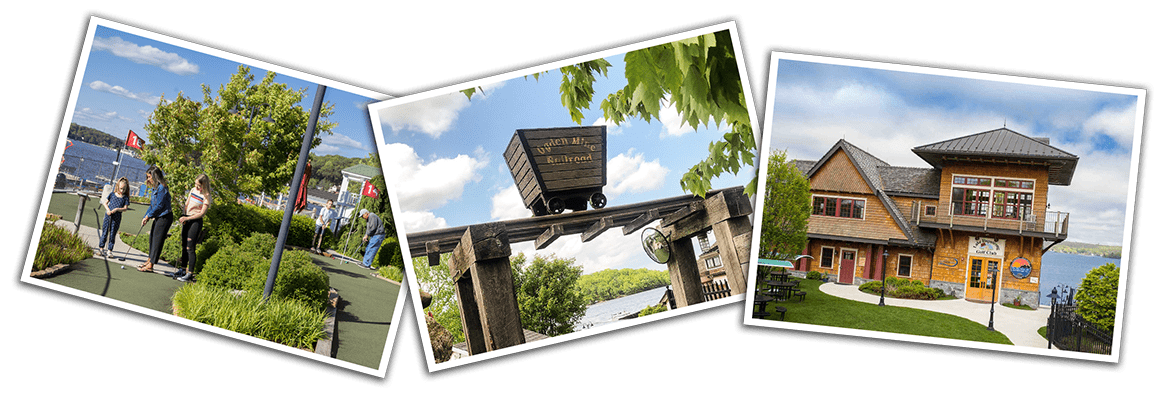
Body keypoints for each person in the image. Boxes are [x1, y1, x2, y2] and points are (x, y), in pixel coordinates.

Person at [174, 174, 211, 282]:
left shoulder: (206, 195)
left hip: (195, 221)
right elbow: (187, 203)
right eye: (195, 184)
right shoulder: (193, 190)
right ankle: (182, 269)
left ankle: (190, 273)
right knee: (184, 245)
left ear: (204, 185)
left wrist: (189, 218)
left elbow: (202, 213)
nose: (196, 187)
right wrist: (184, 215)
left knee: (190, 247)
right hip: (187, 219)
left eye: (199, 185)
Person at [138, 165, 172, 273]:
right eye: (147, 177)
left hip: (165, 217)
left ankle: (151, 265)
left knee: (157, 241)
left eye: (149, 177)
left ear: (155, 176)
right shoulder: (155, 188)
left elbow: (159, 206)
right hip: (159, 216)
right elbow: (152, 205)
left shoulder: (162, 187)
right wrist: (146, 216)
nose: (148, 179)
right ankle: (149, 260)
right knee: (152, 238)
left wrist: (149, 216)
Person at [97, 177, 131, 256]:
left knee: (112, 234)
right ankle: (101, 249)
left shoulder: (125, 198)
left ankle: (109, 250)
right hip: (108, 216)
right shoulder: (112, 194)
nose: (122, 191)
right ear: (117, 187)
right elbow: (105, 203)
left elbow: (125, 208)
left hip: (117, 218)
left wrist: (117, 209)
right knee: (105, 232)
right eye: (121, 189)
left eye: (124, 189)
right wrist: (108, 210)